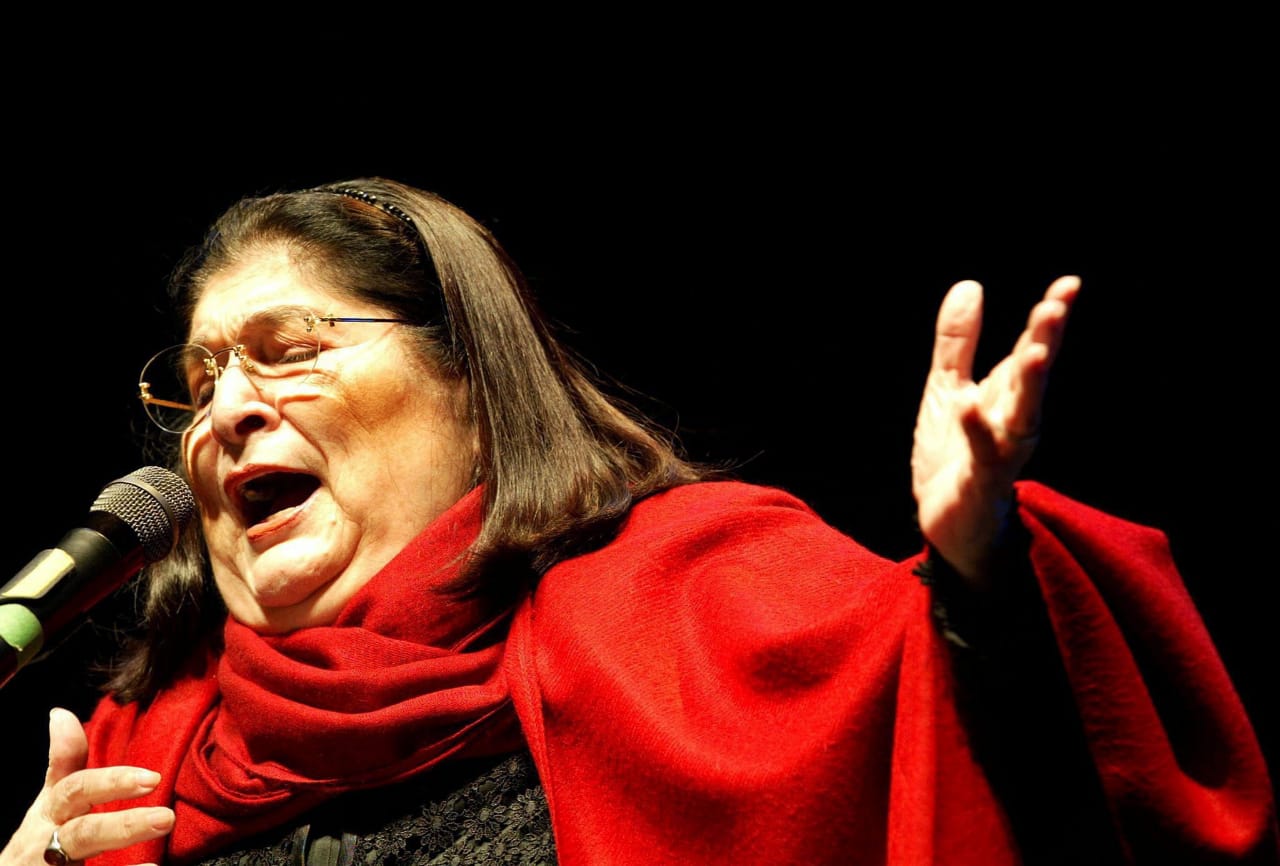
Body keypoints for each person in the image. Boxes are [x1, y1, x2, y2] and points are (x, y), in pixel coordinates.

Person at [0, 177, 1275, 866]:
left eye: (288, 352)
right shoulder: (133, 757)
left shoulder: (691, 595)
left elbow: (971, 763)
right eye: (200, 381)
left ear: (471, 388)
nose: (227, 411)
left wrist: (982, 577)